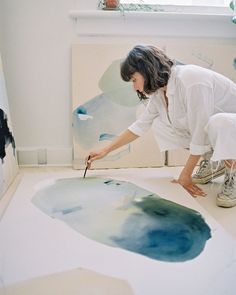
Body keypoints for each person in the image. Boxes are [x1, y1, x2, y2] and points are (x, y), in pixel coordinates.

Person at [87, 44, 236, 208]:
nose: (135, 87)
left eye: (134, 80)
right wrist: (105, 150)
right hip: (221, 131)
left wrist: (185, 175)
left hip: (230, 126)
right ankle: (215, 161)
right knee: (163, 120)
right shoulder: (160, 93)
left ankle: (233, 172)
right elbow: (140, 126)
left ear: (146, 70)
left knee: (217, 123)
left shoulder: (191, 79)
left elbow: (200, 131)